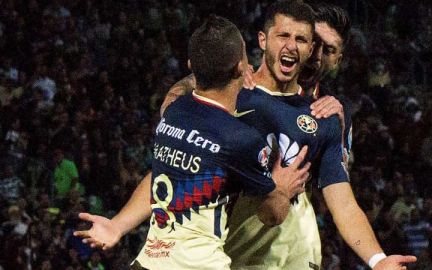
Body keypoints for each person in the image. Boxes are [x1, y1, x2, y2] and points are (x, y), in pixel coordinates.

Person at [76, 1, 416, 269]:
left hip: (295, 257)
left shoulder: (327, 117)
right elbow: (172, 171)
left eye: (302, 40)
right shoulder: (232, 98)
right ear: (263, 40)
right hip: (233, 255)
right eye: (284, 36)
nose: (294, 47)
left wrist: (377, 259)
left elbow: (343, 201)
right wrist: (119, 225)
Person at [74, 15, 311, 270]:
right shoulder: (241, 139)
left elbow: (161, 177)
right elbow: (271, 215)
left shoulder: (173, 112)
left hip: (148, 263)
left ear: (191, 66)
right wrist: (283, 189)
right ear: (240, 69)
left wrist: (117, 224)